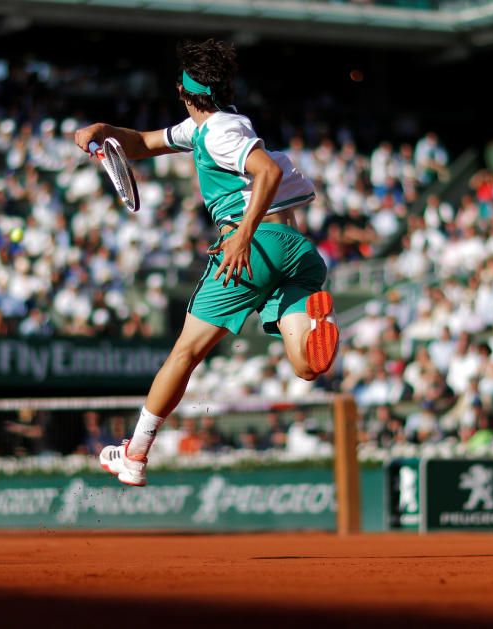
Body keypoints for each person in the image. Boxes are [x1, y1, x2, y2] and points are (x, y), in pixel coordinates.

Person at [79, 39, 339, 486]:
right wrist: (102, 129)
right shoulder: (206, 127)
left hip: (254, 247)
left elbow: (268, 172)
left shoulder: (220, 133)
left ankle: (135, 454)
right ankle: (316, 328)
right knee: (306, 367)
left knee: (185, 353)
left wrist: (240, 236)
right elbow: (141, 142)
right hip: (297, 252)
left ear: (183, 90)